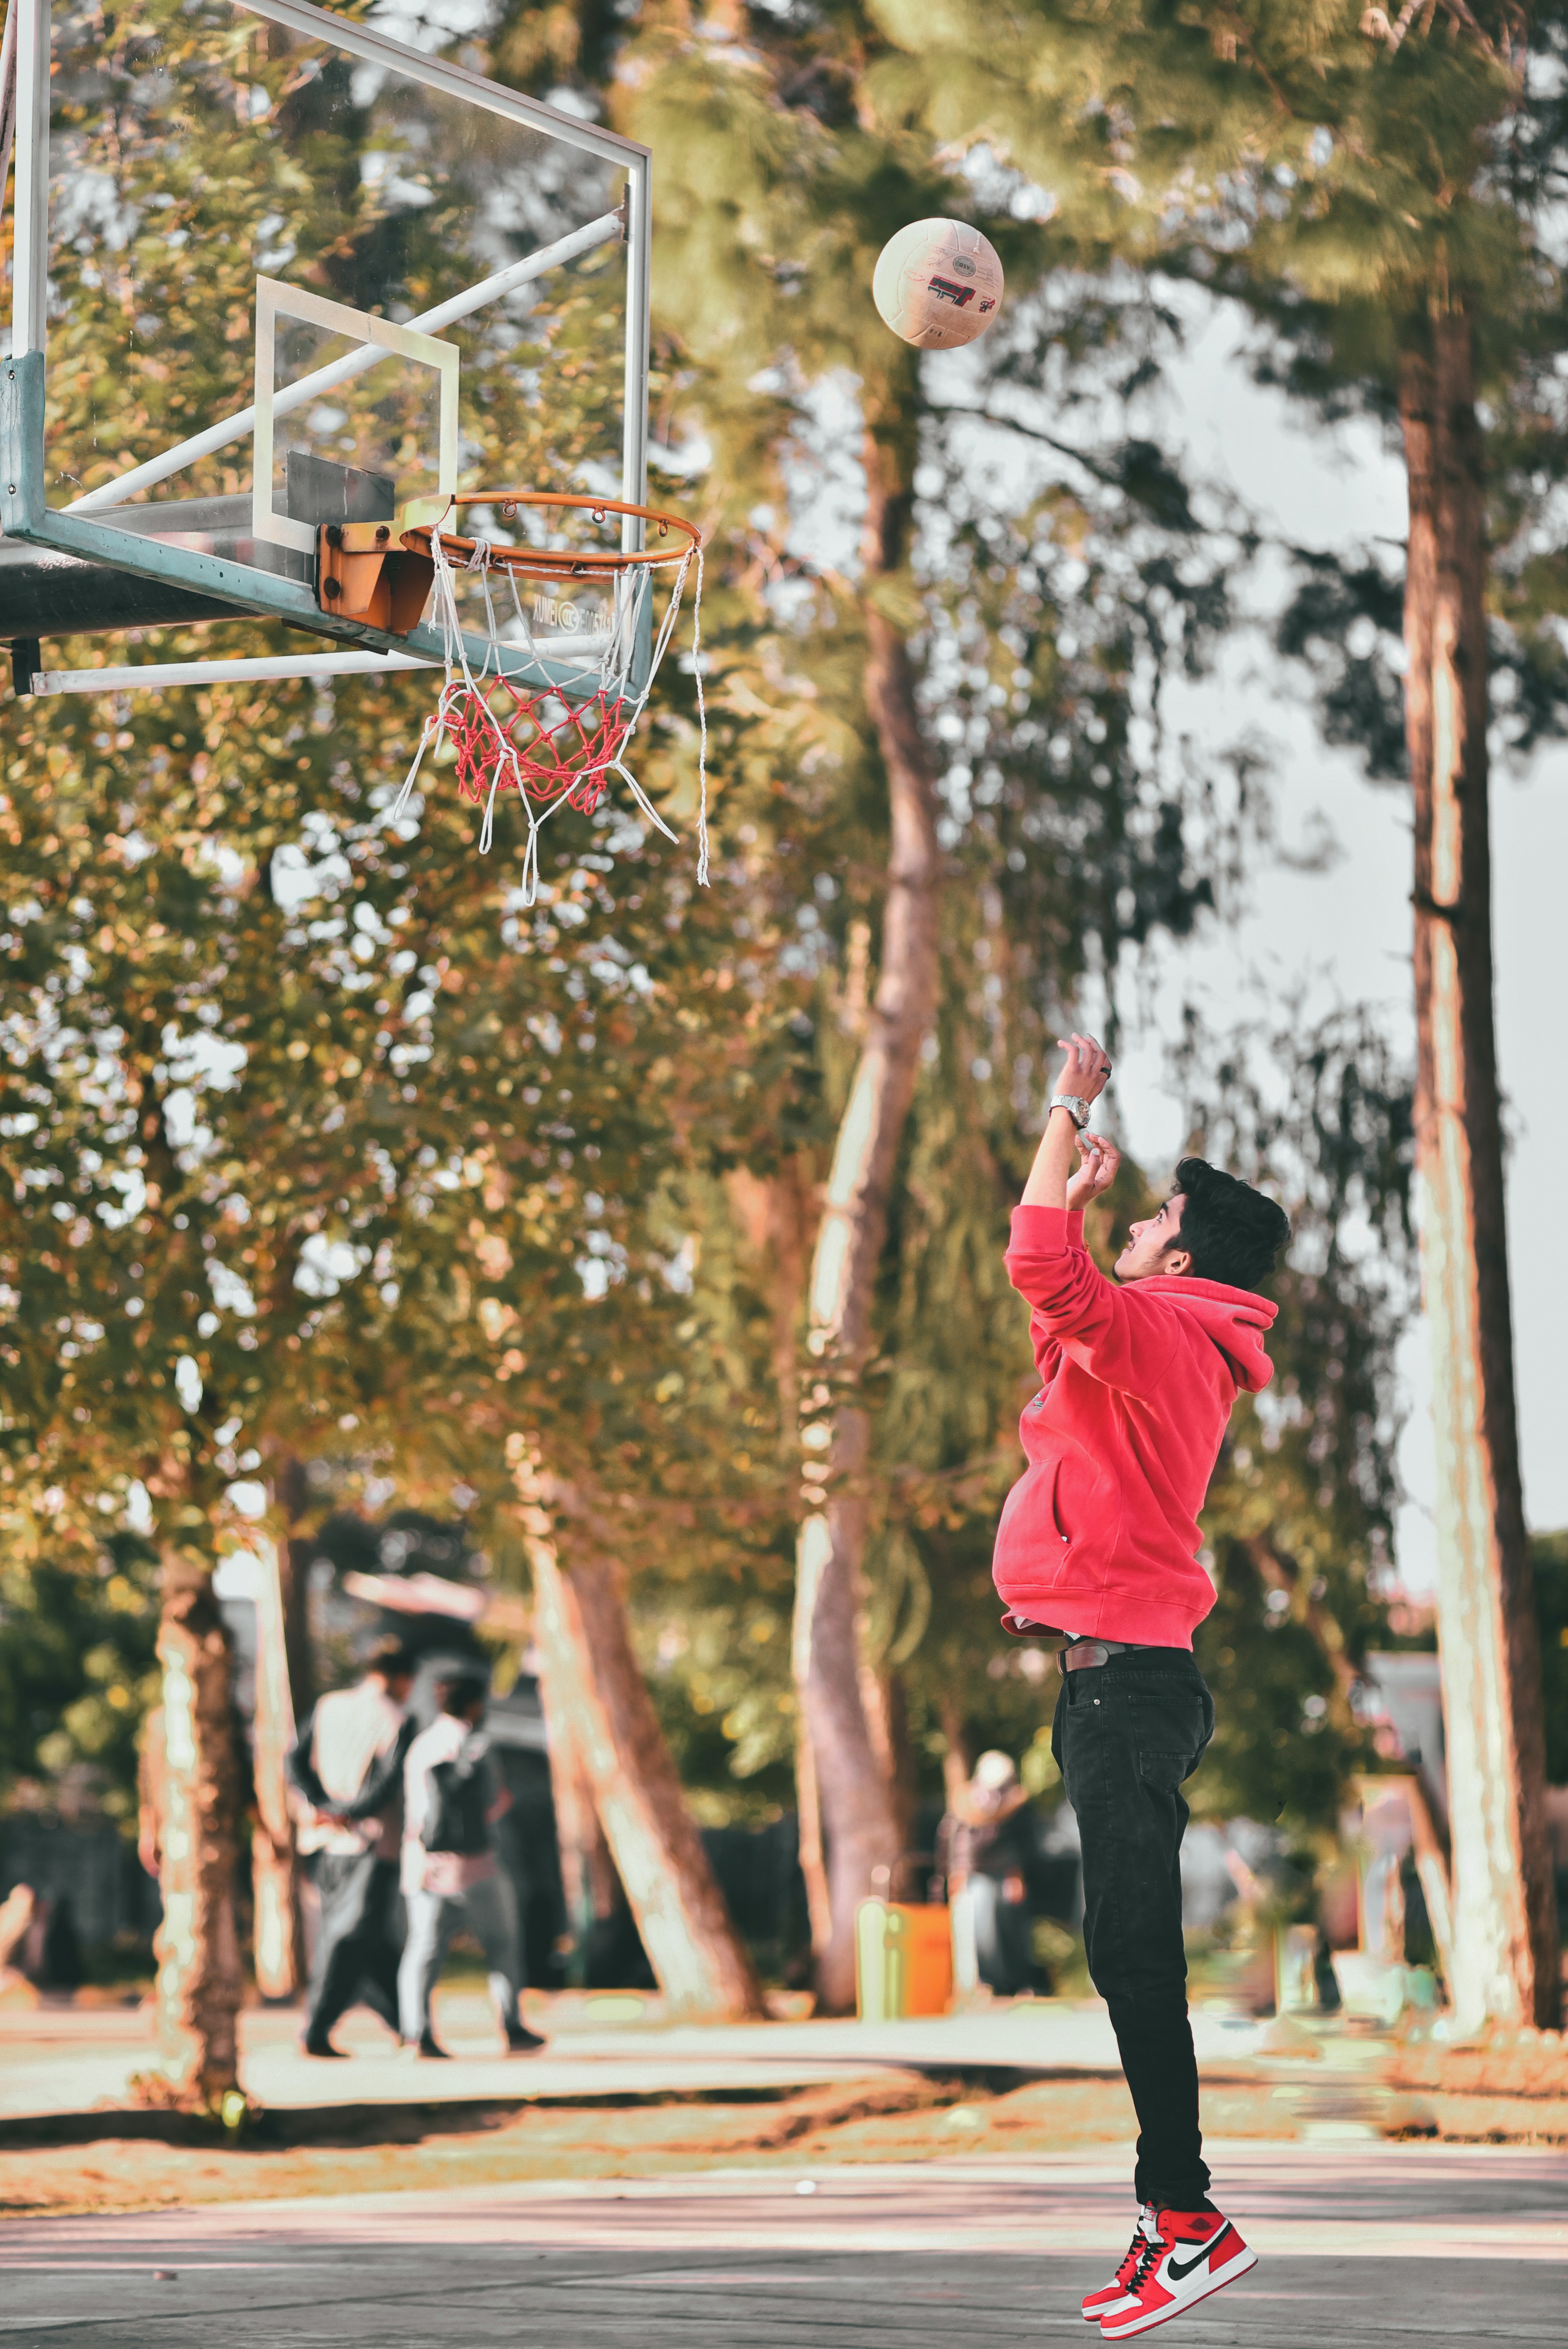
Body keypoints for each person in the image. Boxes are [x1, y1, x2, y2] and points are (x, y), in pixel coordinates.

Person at [994, 1031, 1289, 2339]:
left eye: (1156, 1216)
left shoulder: (1165, 1333)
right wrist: (1070, 1177)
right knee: (1125, 1949)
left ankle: (1188, 2219)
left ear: (1180, 1258)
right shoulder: (1162, 1335)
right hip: (1113, 1682)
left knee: (1133, 1951)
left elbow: (1038, 1265)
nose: (1138, 1225)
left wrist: (1067, 1116)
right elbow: (1056, 1283)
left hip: (1125, 1686)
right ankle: (1166, 2210)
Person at [398, 1671, 543, 2058]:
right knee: (502, 1944)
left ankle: (416, 2034)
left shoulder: (422, 1745)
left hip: (423, 1862)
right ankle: (511, 2027)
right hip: (475, 1865)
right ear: (474, 1704)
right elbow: (494, 1802)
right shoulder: (477, 1745)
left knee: (423, 1950)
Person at [288, 1635, 417, 2059]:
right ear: (402, 1680)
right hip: (370, 1844)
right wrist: (351, 1811)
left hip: (321, 1839)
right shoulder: (398, 1718)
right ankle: (317, 2027)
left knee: (369, 1937)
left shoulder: (329, 1706)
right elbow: (388, 1781)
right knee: (346, 1936)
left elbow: (294, 1761)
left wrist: (323, 1805)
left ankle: (408, 2024)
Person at [936, 1750, 1037, 1998]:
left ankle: (1014, 1982)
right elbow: (955, 1841)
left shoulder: (1017, 1805)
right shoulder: (964, 1803)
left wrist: (1017, 1874)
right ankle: (987, 1982)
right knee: (981, 1926)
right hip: (974, 1876)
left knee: (1009, 1924)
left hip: (1004, 1875)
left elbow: (1021, 1844)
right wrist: (956, 1873)